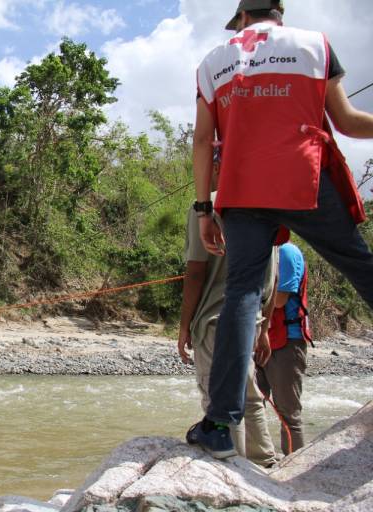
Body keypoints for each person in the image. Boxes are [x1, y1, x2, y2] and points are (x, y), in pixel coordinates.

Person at [187, 0, 373, 459]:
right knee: (358, 263)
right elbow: (347, 122)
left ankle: (219, 423)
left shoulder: (213, 61)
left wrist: (203, 208)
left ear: (243, 19)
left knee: (241, 294)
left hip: (242, 188)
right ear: (278, 14)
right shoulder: (315, 45)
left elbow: (202, 141)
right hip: (303, 177)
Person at [179, 183, 278, 466]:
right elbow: (275, 275)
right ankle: (265, 463)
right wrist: (265, 328)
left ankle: (233, 474)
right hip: (253, 318)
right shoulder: (269, 203)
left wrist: (185, 325)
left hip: (214, 321)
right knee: (249, 394)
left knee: (219, 402)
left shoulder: (206, 207)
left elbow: (196, 271)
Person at [257, 242, 312, 455]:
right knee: (253, 405)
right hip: (262, 338)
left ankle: (294, 471)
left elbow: (279, 300)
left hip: (287, 343)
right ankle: (259, 460)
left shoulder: (287, 252)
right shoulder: (264, 252)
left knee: (289, 414)